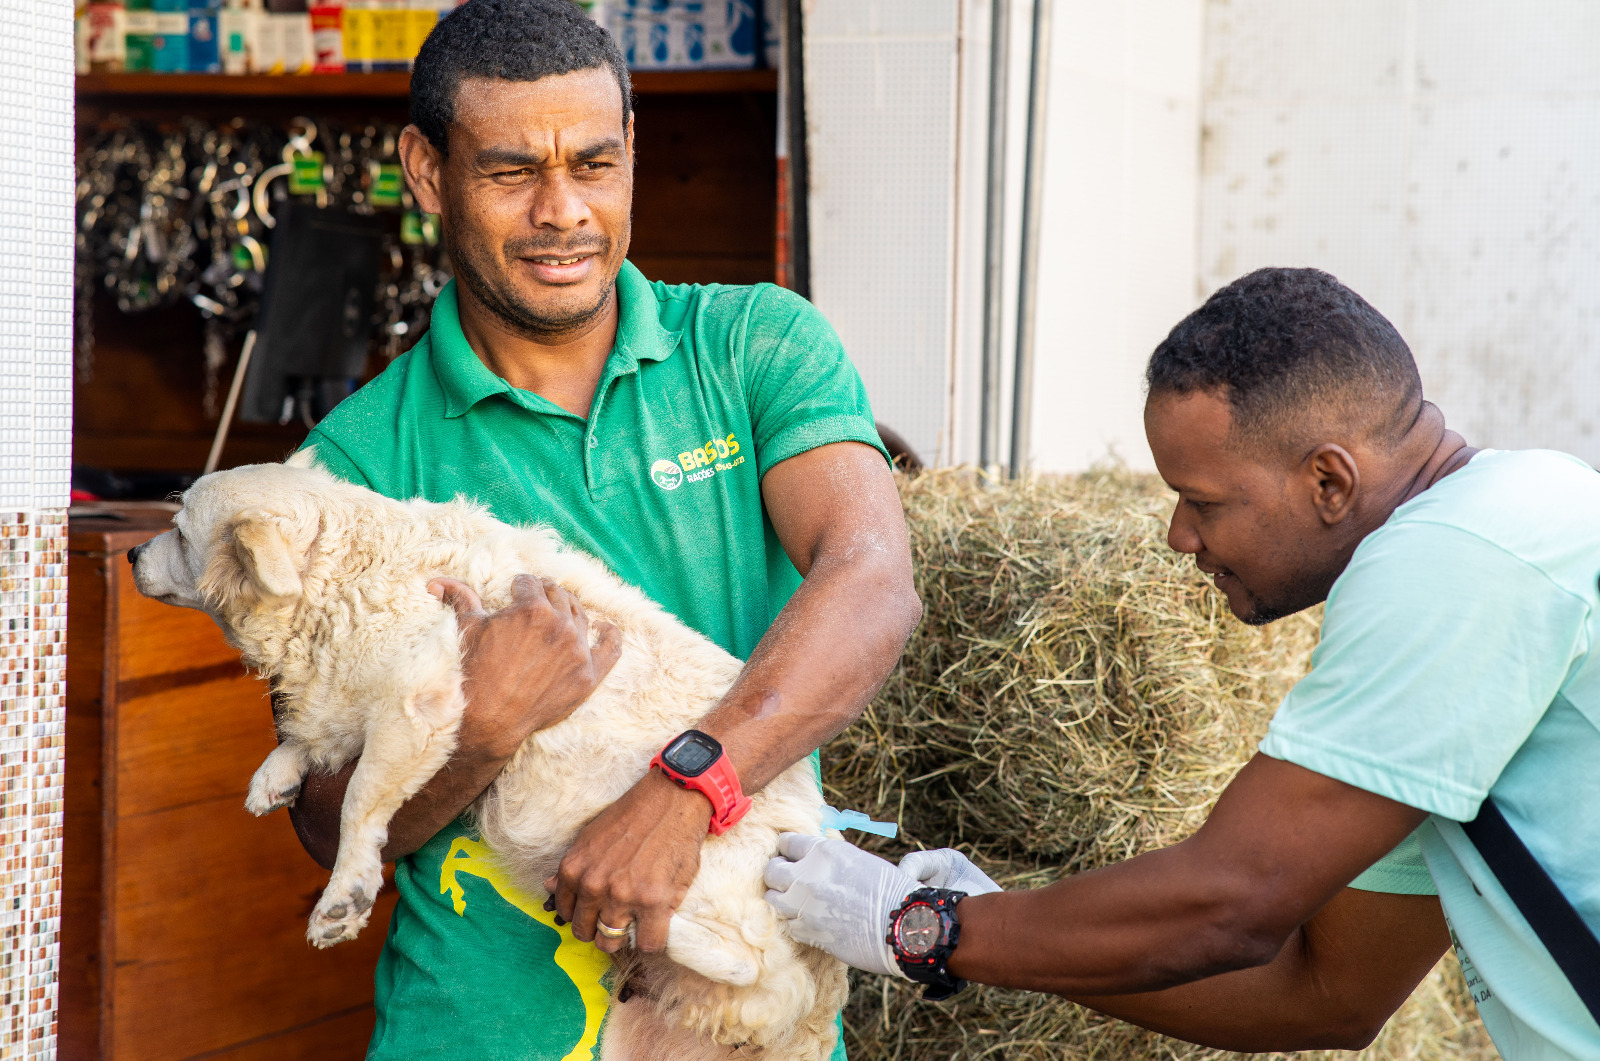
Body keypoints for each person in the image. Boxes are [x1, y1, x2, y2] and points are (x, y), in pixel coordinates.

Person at [283, 2, 922, 1058]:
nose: (563, 211)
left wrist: (688, 788)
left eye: (594, 164)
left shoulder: (753, 344)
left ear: (631, 149)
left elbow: (870, 578)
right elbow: (325, 824)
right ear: (428, 172)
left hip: (739, 1011)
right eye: (509, 172)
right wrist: (478, 727)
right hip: (482, 1030)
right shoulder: (353, 468)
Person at [764, 268, 1600, 1059]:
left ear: (1329, 481)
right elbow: (1327, 990)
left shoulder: (1456, 558)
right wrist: (990, 926)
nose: (1179, 535)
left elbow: (1234, 896)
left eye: (1203, 501)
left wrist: (922, 928)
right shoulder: (1508, 530)